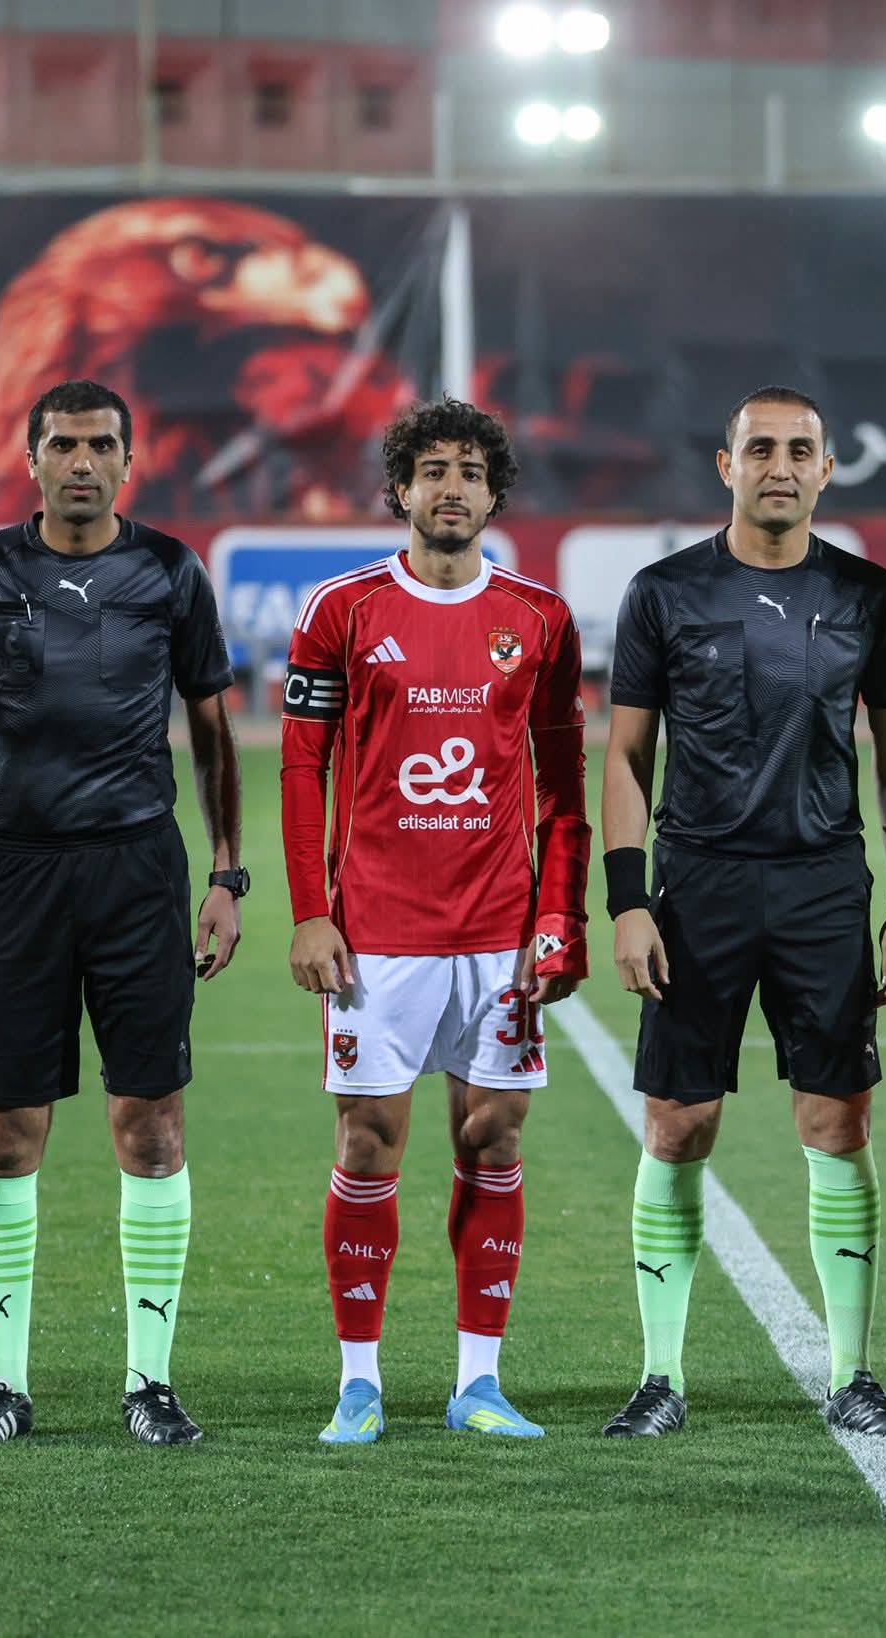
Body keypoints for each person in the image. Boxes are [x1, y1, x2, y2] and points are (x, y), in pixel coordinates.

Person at [0, 378, 243, 1448]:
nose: (82, 461)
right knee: (5, 1136)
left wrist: (226, 875)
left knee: (152, 1126)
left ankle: (151, 1383)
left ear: (130, 461)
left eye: (101, 445)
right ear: (32, 459)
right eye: (62, 444)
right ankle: (3, 1385)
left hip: (138, 873)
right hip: (15, 875)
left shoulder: (171, 572)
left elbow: (213, 735)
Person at [600, 386, 886, 1439]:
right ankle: (659, 1377)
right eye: (760, 449)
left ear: (826, 469)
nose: (778, 466)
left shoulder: (868, 596)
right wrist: (627, 901)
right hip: (697, 886)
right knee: (678, 1122)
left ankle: (852, 1375)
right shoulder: (664, 593)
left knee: (836, 1121)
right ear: (726, 464)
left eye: (799, 450)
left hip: (824, 885)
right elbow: (626, 756)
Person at [281, 398, 588, 1444]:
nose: (450, 487)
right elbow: (302, 769)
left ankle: (479, 1382)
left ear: (495, 495)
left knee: (492, 1134)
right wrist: (312, 913)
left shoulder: (539, 618)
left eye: (469, 471)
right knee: (369, 1143)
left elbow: (563, 784)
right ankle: (358, 1383)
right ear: (400, 489)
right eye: (432, 470)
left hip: (501, 935)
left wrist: (560, 913)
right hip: (377, 936)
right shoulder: (341, 611)